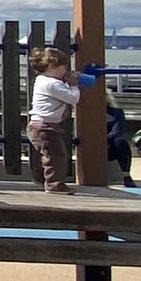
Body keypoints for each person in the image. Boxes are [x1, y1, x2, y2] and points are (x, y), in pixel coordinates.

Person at [27, 47, 90, 194]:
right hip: (45, 126)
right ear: (52, 66)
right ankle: (54, 184)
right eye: (63, 66)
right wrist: (74, 84)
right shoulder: (51, 84)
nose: (65, 70)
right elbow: (72, 98)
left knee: (47, 155)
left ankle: (42, 180)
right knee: (56, 156)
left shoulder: (42, 80)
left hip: (39, 125)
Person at [105, 91, 135, 187]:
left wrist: (103, 139)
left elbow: (116, 131)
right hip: (91, 145)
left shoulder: (116, 113)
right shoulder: (87, 113)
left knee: (121, 142)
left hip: (110, 145)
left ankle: (126, 175)